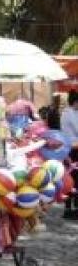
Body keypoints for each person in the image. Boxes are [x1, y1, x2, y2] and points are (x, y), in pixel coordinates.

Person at [60, 91, 78, 219]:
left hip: (68, 148)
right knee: (73, 178)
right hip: (74, 149)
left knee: (70, 177)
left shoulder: (66, 113)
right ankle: (71, 208)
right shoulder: (70, 114)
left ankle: (69, 208)